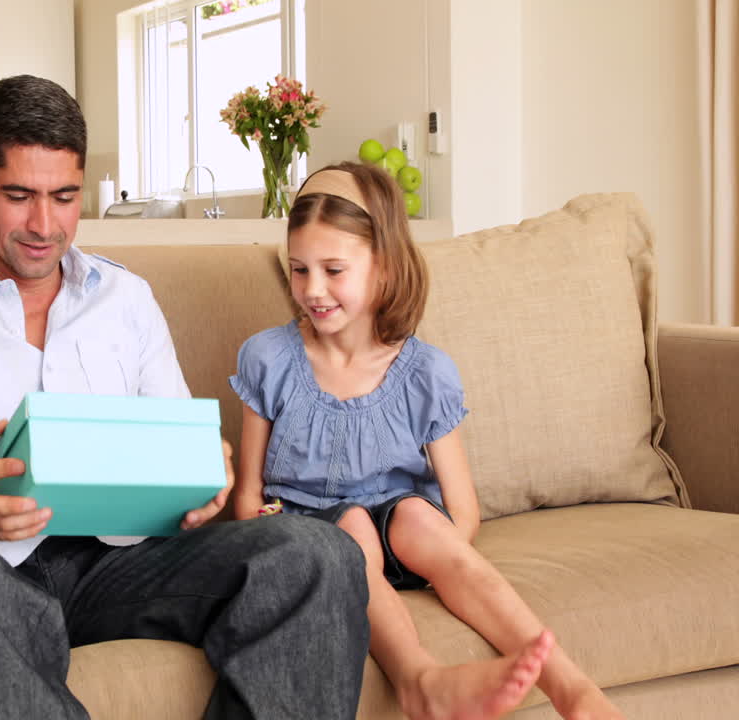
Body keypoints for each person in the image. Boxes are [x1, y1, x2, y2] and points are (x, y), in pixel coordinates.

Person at [0, 75, 369, 720]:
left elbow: (179, 454)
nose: (44, 225)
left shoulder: (125, 300)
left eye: (65, 197)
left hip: (125, 566)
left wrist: (201, 480)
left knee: (316, 553)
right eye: (19, 196)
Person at [229, 162, 625, 720]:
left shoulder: (425, 373)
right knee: (352, 528)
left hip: (399, 533)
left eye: (333, 270)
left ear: (384, 270)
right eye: (299, 270)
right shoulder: (267, 358)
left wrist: (438, 556)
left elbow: (463, 512)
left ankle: (572, 688)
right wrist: (267, 533)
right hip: (314, 537)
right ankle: (419, 681)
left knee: (418, 519)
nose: (312, 291)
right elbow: (248, 498)